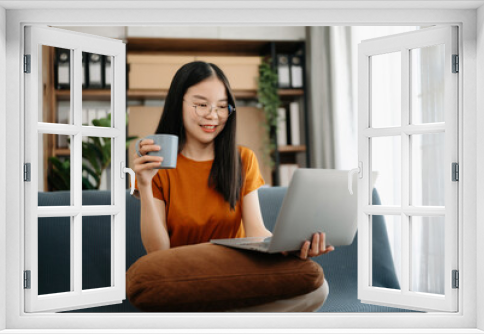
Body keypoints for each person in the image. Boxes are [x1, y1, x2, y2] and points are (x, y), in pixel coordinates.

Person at [132, 61, 334, 312]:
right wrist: (144, 182)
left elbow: (256, 231)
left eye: (221, 106)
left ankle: (220, 322)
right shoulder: (158, 167)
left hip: (237, 275)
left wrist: (291, 246)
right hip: (186, 280)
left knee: (318, 288)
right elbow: (158, 253)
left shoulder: (243, 159)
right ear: (178, 104)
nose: (212, 115)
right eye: (201, 105)